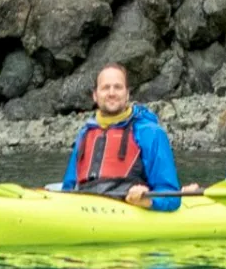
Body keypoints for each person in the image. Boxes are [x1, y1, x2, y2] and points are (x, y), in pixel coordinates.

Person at [60, 63, 192, 210]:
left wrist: (149, 201)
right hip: (85, 209)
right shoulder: (85, 134)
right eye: (105, 88)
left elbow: (171, 196)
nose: (111, 93)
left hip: (128, 209)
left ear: (127, 94)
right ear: (95, 95)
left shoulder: (150, 133)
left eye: (118, 87)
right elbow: (67, 189)